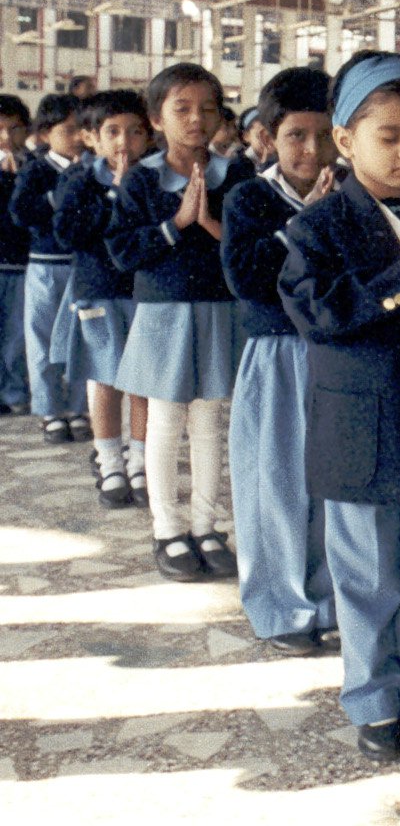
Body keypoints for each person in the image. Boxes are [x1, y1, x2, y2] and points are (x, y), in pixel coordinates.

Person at [278, 51, 400, 761]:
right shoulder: (317, 227)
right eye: (388, 135)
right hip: (358, 435)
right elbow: (316, 312)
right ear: (345, 140)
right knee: (365, 578)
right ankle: (371, 699)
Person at [109, 64, 254, 582]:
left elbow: (247, 245)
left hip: (219, 310)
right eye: (182, 109)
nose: (197, 120)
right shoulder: (143, 179)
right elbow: (123, 250)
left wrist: (211, 224)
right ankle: (167, 528)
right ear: (157, 118)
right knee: (166, 419)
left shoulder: (236, 175)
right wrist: (175, 226)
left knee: (210, 419)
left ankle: (206, 525)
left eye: (208, 109)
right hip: (164, 311)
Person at [222, 67, 339, 655]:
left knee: (328, 484)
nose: (311, 151)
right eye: (296, 136)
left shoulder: (350, 194)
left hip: (338, 355)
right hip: (275, 355)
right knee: (276, 484)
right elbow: (247, 280)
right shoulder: (249, 197)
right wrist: (302, 226)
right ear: (268, 137)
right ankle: (281, 607)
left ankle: (326, 598)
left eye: (323, 135)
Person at [52, 91, 152, 508]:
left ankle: (141, 461)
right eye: (112, 132)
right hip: (98, 291)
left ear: (149, 136)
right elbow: (68, 233)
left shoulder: (153, 178)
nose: (123, 142)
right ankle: (110, 458)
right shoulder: (79, 180)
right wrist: (114, 194)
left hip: (144, 293)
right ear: (92, 137)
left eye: (134, 131)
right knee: (106, 380)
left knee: (144, 383)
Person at [10, 93, 90, 443]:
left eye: (82, 130)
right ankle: (49, 410)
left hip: (79, 267)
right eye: (69, 130)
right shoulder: (36, 170)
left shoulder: (90, 170)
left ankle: (76, 407)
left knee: (79, 340)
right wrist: (59, 196)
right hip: (44, 267)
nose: (77, 138)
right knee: (41, 341)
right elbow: (21, 213)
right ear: (44, 135)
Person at [0, 95, 30, 413]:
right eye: (0, 129)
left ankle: (15, 392)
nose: (7, 137)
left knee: (16, 335)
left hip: (22, 263)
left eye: (14, 129)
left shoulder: (33, 166)